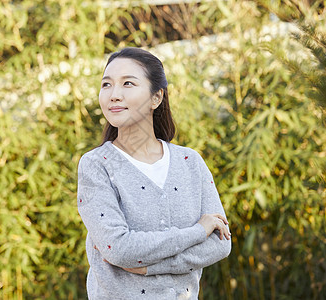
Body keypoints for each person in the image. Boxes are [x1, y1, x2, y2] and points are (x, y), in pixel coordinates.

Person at [77, 47, 231, 300]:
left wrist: (150, 267)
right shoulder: (96, 165)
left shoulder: (189, 161)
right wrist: (197, 232)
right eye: (106, 85)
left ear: (156, 97)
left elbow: (220, 243)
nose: (114, 95)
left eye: (128, 83)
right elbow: (119, 249)